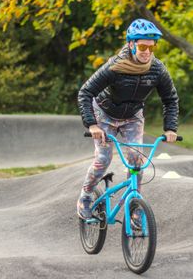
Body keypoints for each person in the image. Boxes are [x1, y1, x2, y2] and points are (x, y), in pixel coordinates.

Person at [76, 18, 179, 219]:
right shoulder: (115, 66)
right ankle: (85, 195)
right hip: (104, 115)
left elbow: (170, 99)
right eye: (142, 46)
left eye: (151, 47)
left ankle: (133, 204)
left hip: (132, 117)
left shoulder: (157, 69)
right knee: (103, 159)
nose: (147, 51)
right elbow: (85, 92)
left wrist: (170, 129)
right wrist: (92, 124)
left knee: (136, 161)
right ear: (131, 44)